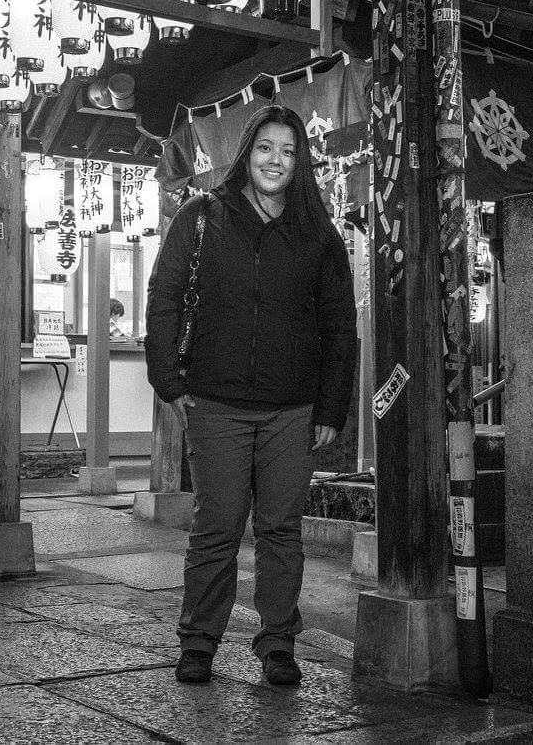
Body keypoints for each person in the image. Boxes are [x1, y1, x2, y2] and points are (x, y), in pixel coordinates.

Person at [145, 105, 357, 686]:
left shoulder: (318, 233)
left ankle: (279, 642)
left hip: (293, 408)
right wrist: (168, 380)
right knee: (217, 525)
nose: (275, 161)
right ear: (247, 153)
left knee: (282, 528)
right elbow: (164, 296)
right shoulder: (203, 216)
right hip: (215, 402)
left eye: (288, 151)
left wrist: (331, 406)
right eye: (266, 148)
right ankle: (199, 641)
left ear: (300, 161)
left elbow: (340, 326)